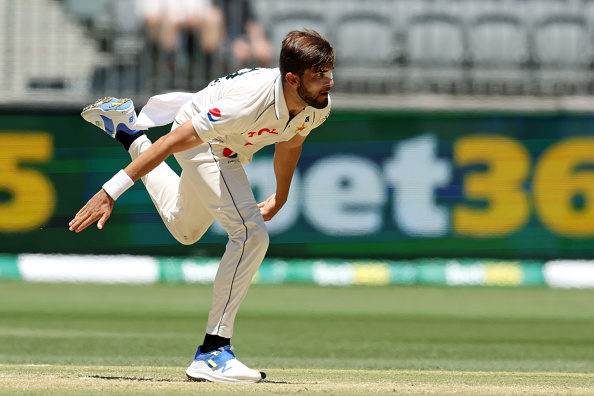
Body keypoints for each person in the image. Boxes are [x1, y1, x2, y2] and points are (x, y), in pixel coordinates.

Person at [69, 30, 334, 383]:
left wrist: (281, 195)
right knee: (252, 235)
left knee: (186, 229)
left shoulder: (317, 104)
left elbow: (291, 142)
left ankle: (128, 132)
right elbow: (171, 142)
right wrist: (111, 191)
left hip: (227, 145)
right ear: (292, 79)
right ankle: (213, 352)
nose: (329, 82)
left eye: (329, 72)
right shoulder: (247, 104)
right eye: (319, 76)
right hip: (207, 140)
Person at [215, 0, 273, 71]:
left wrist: (258, 42)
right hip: (223, 42)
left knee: (262, 51)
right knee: (241, 53)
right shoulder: (216, 3)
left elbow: (252, 24)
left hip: (244, 39)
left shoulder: (244, 3)